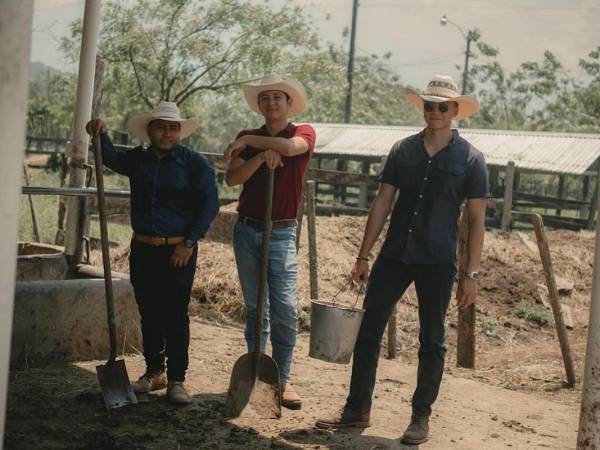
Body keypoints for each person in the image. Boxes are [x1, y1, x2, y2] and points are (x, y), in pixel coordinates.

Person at [315, 75, 488, 445]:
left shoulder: (472, 159)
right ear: (422, 108)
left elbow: (476, 220)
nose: (436, 112)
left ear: (455, 110)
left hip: (438, 261)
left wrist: (471, 273)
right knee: (368, 331)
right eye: (429, 105)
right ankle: (356, 409)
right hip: (394, 255)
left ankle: (420, 418)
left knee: (432, 340)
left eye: (443, 106)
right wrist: (363, 254)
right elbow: (382, 203)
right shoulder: (402, 151)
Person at [86, 101, 219, 404]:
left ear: (180, 132)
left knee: (175, 314)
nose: (167, 133)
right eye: (161, 126)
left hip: (178, 250)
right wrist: (100, 133)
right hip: (143, 249)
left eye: (173, 128)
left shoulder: (193, 163)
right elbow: (111, 158)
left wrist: (189, 243)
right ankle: (154, 371)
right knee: (149, 312)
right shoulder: (138, 160)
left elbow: (210, 202)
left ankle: (177, 380)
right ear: (149, 130)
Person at [224, 74, 316, 410]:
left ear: (288, 103)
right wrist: (260, 157)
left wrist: (254, 142)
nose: (272, 103)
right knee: (255, 308)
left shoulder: (302, 131)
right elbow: (233, 177)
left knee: (286, 310)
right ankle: (256, 374)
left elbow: (292, 149)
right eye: (266, 99)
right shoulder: (246, 138)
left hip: (280, 231)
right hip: (247, 228)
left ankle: (283, 377)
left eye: (278, 97)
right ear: (260, 105)